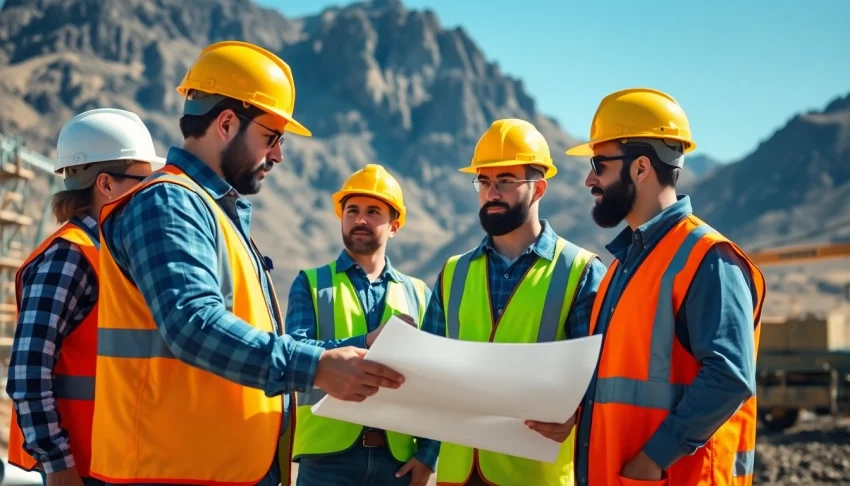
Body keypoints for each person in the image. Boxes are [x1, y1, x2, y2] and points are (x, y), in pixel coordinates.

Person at [86, 41, 405, 486]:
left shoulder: (212, 212)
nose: (278, 156)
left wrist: (350, 350)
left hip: (216, 469)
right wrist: (316, 366)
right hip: (171, 471)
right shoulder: (168, 203)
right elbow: (192, 323)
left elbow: (253, 336)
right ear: (226, 123)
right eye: (272, 138)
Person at [565, 87, 766, 486]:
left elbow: (729, 377)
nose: (589, 179)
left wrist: (654, 457)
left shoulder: (708, 258)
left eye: (599, 164)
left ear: (641, 167)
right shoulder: (623, 266)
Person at [421, 118, 608, 486]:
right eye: (483, 181)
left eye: (505, 181)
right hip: (457, 475)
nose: (491, 192)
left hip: (534, 475)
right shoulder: (453, 272)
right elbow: (428, 373)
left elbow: (599, 377)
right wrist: (425, 455)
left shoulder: (581, 270)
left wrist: (576, 412)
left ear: (538, 189)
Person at [6, 108, 164, 486]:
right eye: (142, 181)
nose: (150, 193)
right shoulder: (69, 256)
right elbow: (28, 372)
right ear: (105, 184)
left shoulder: (112, 253)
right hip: (78, 471)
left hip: (118, 464)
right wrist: (59, 466)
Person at [287, 163, 440, 486]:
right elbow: (296, 353)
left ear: (394, 226)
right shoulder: (311, 283)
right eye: (352, 210)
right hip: (326, 459)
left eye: (373, 212)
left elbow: (435, 379)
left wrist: (428, 454)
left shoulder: (419, 294)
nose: (360, 219)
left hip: (397, 462)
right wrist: (367, 341)